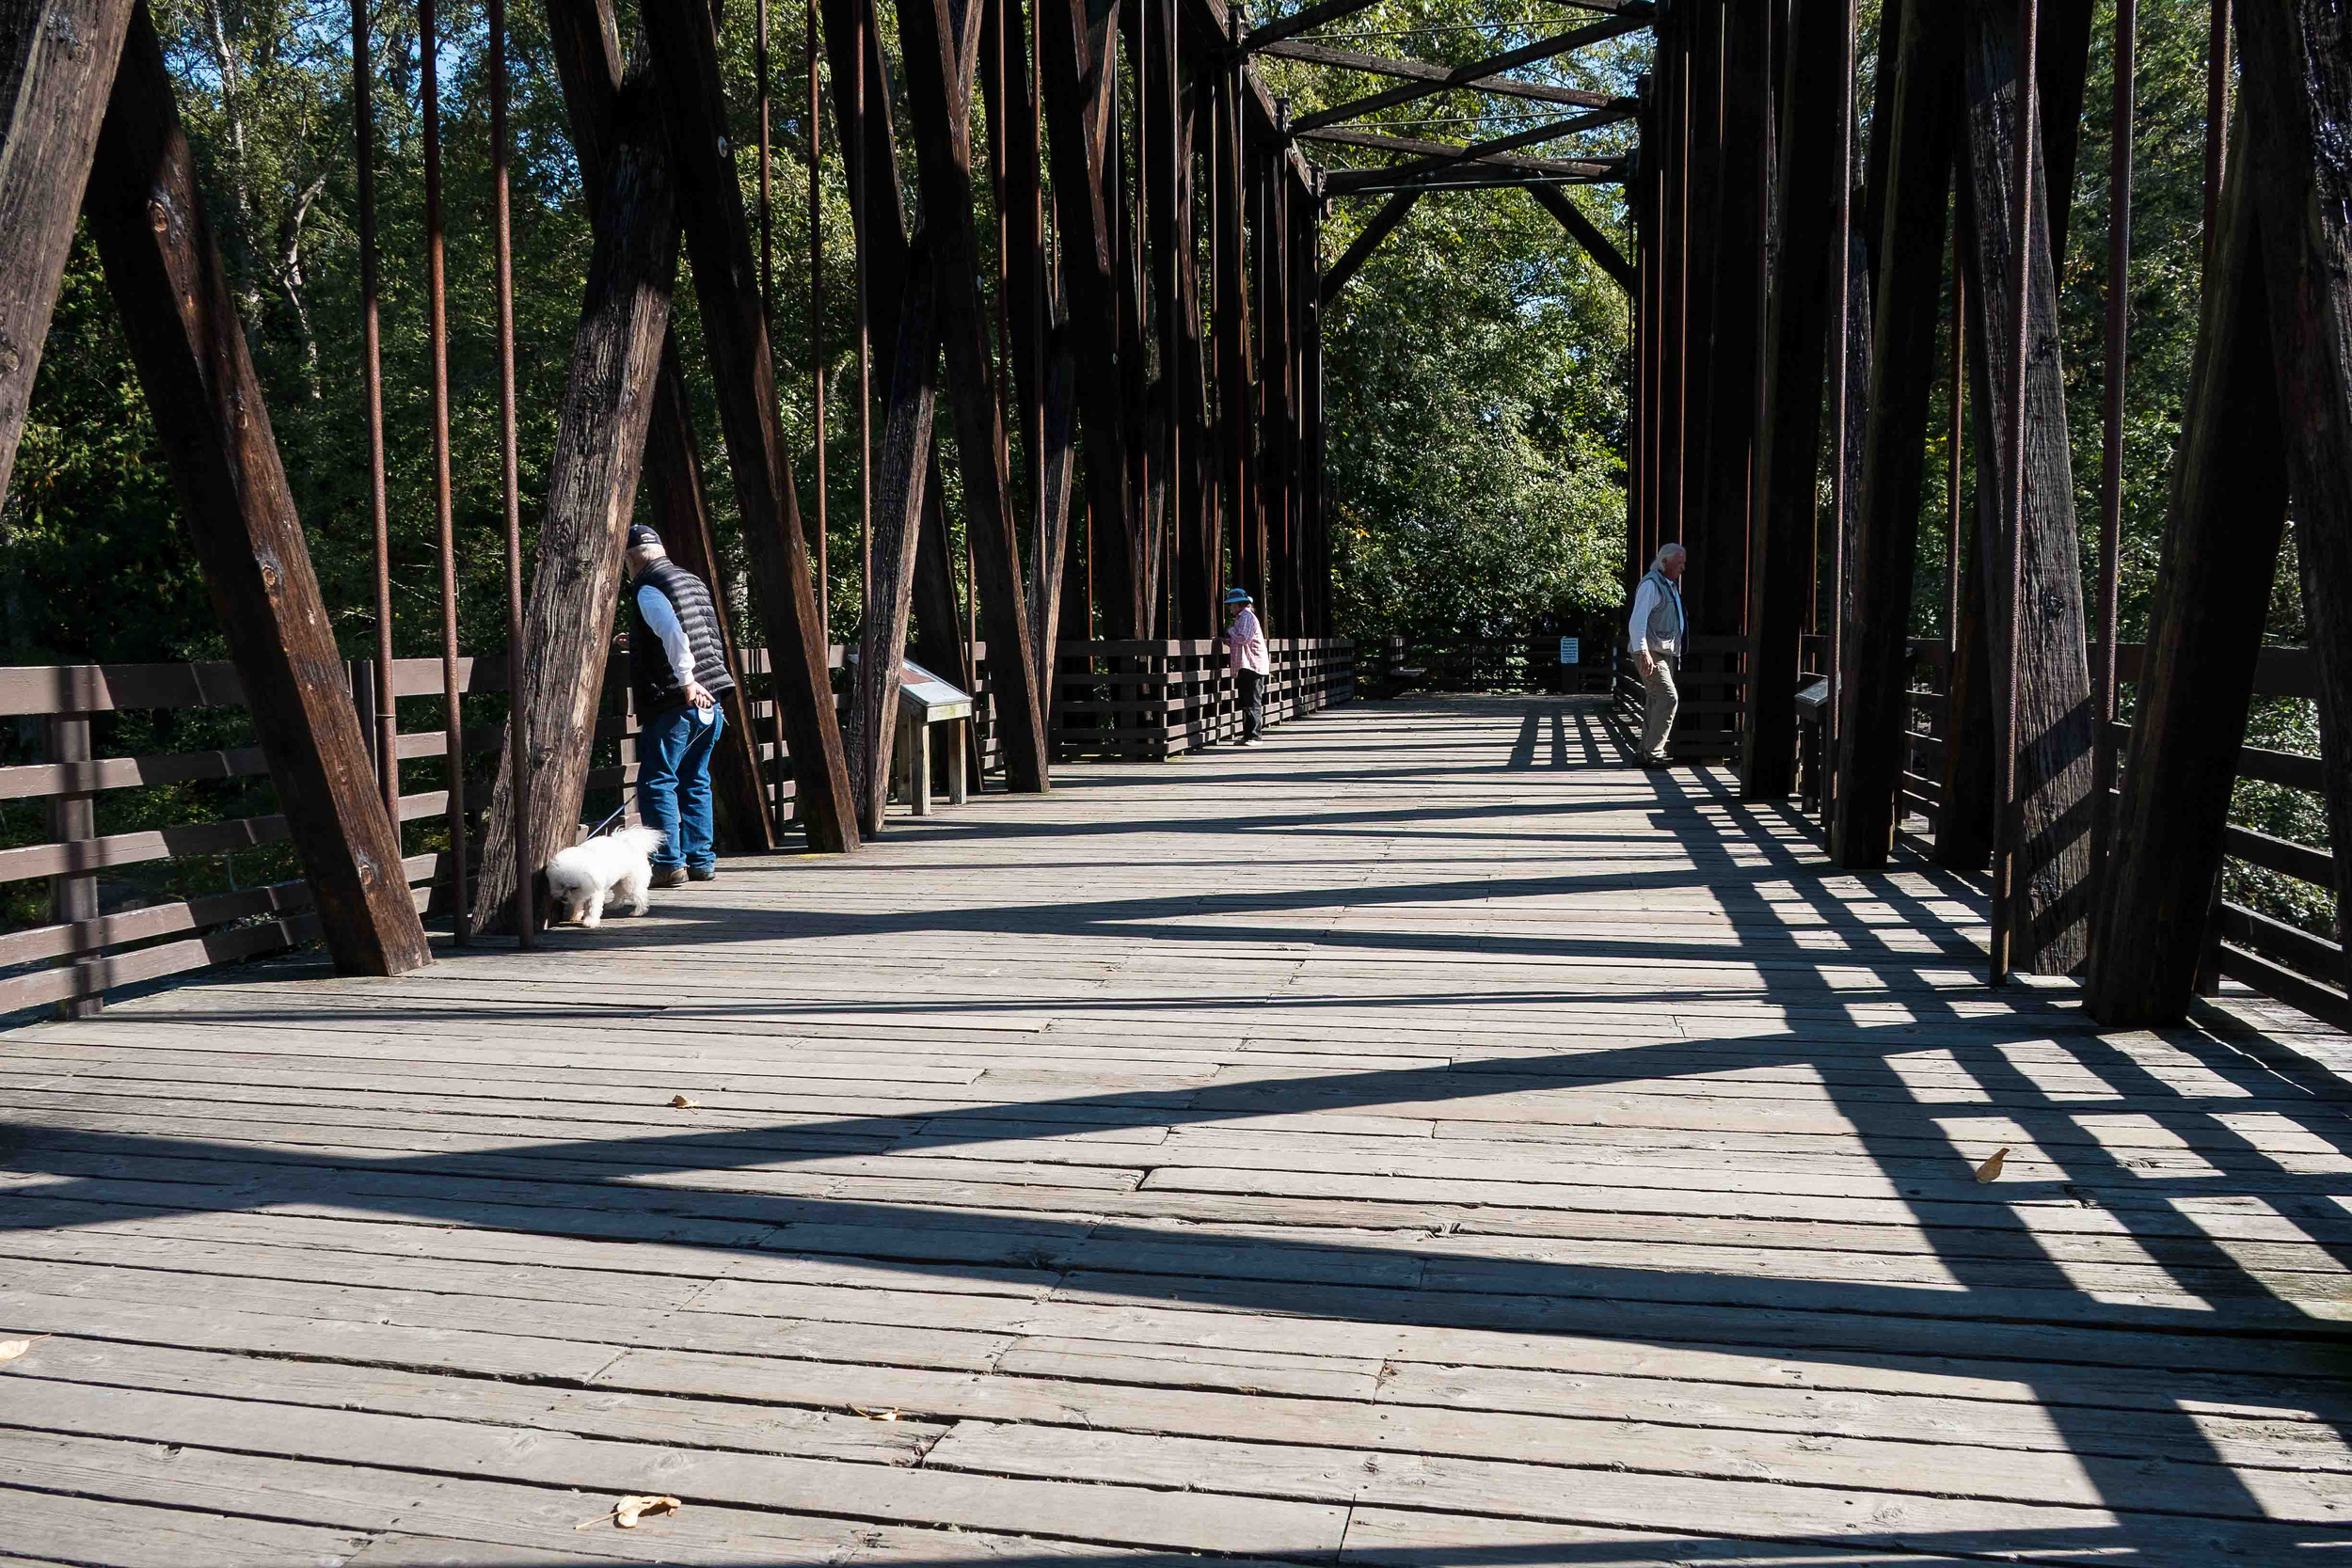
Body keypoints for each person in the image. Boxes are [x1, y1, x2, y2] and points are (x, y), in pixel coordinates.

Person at [624, 524, 735, 885]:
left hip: (678, 700)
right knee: (695, 778)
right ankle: (701, 861)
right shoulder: (690, 580)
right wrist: (638, 640)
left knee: (657, 781)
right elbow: (693, 631)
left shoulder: (648, 585)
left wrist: (686, 683)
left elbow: (674, 633)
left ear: (631, 558)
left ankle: (669, 863)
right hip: (713, 698)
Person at [1628, 543, 1688, 768]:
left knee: (1655, 700)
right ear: (1664, 562)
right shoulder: (1651, 585)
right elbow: (1637, 621)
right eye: (1679, 562)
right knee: (1668, 697)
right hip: (1652, 651)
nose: (1683, 567)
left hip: (1664, 651)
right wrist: (1643, 651)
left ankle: (1644, 751)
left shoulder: (1668, 585)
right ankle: (1654, 752)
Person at [1224, 587, 1269, 746]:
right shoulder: (1241, 619)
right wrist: (1227, 641)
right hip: (1246, 665)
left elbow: (1244, 639)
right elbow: (1240, 641)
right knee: (1245, 701)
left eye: (1231, 605)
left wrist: (1230, 631)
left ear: (1237, 605)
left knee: (1252, 701)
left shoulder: (1247, 617)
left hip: (1253, 665)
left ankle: (1255, 736)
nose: (1229, 608)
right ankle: (1247, 735)